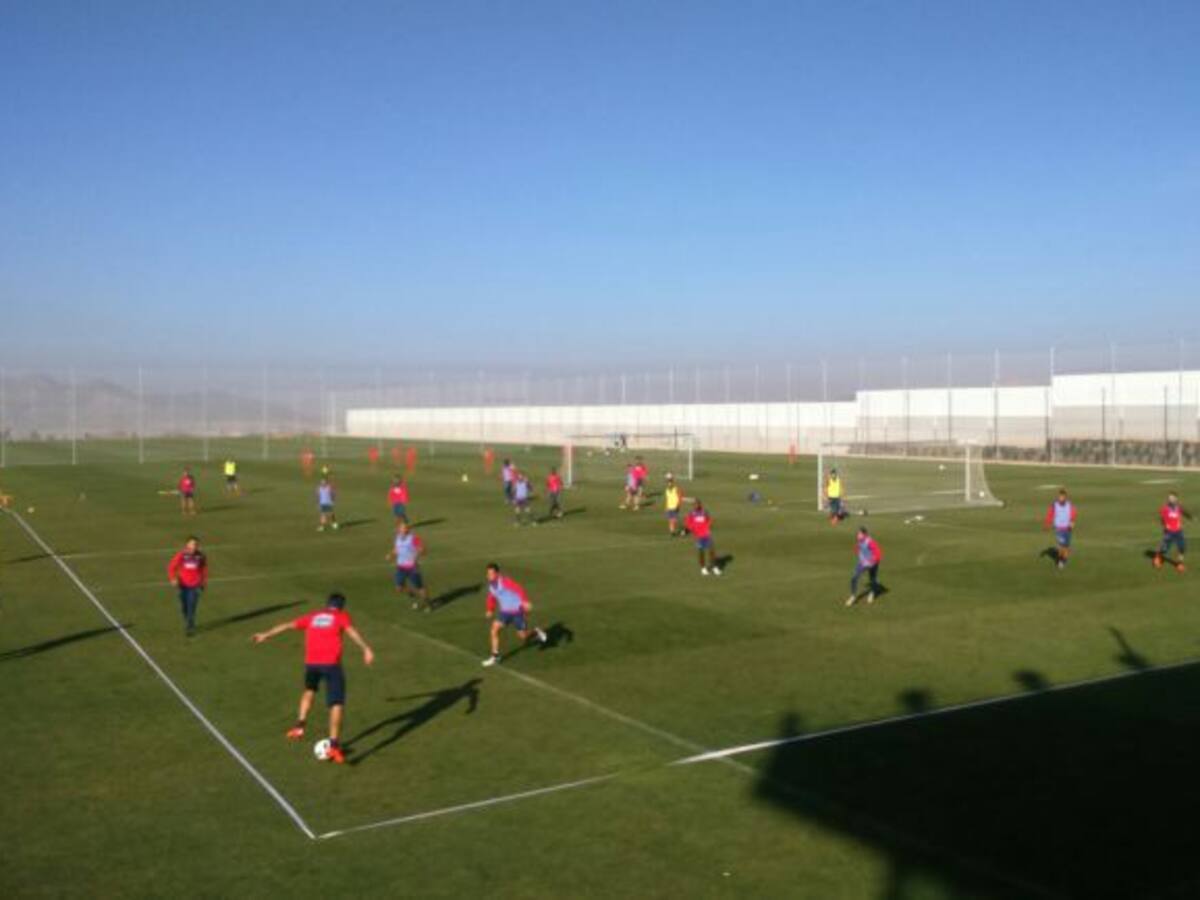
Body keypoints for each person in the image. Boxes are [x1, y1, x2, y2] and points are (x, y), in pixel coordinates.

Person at [252, 593, 375, 765]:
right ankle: (333, 745)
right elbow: (351, 632)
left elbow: (288, 625)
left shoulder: (313, 616)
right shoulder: (341, 616)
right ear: (341, 606)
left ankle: (299, 727)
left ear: (327, 604)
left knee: (309, 691)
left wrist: (266, 634)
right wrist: (366, 648)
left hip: (312, 663)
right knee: (336, 703)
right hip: (331, 665)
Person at [482, 563, 547, 666]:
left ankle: (536, 632)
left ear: (497, 574)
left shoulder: (505, 582)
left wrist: (525, 601)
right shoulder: (491, 586)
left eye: (491, 573)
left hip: (518, 611)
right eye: (488, 573)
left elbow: (519, 589)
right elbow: (491, 598)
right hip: (505, 612)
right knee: (494, 629)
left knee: (523, 636)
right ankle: (495, 656)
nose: (489, 576)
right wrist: (490, 609)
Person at [167, 536, 207, 636]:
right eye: (192, 544)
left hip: (195, 585)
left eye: (196, 544)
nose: (194, 546)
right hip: (183, 585)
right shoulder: (181, 555)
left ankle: (189, 625)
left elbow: (204, 569)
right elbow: (171, 567)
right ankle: (188, 620)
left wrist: (203, 582)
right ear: (187, 545)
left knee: (191, 605)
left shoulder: (201, 556)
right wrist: (172, 579)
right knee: (184, 606)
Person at [386, 520, 431, 610]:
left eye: (405, 528)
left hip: (412, 567)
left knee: (419, 587)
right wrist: (391, 555)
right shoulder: (398, 538)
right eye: (402, 528)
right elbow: (396, 550)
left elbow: (423, 550)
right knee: (399, 587)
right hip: (401, 567)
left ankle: (427, 603)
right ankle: (413, 596)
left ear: (408, 529)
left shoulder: (413, 538)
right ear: (399, 529)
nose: (403, 529)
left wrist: (416, 557)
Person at [1154, 493, 1191, 572]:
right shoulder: (1165, 508)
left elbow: (1184, 512)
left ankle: (1180, 564)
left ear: (1176, 499)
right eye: (1169, 498)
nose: (1170, 499)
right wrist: (1166, 525)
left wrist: (1190, 517)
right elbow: (1162, 519)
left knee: (1182, 548)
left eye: (1172, 498)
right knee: (1165, 548)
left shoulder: (1178, 508)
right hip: (1169, 531)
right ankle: (1157, 557)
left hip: (1178, 531)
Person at [846, 527, 883, 606]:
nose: (857, 535)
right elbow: (858, 548)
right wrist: (858, 552)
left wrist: (872, 561)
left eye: (859, 534)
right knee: (854, 578)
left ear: (865, 534)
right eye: (857, 534)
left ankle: (872, 593)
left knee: (872, 579)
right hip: (862, 563)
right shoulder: (859, 541)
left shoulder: (870, 542)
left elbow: (878, 553)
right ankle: (853, 596)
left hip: (872, 563)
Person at [684, 500, 720, 575]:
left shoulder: (704, 512)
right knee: (701, 552)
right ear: (693, 506)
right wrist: (693, 529)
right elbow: (687, 523)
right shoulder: (691, 514)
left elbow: (709, 519)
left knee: (712, 550)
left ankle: (714, 567)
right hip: (698, 536)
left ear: (700, 505)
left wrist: (708, 526)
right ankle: (703, 568)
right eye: (695, 505)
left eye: (698, 504)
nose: (696, 506)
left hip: (707, 534)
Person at [1043, 488, 1076, 569]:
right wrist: (1047, 524)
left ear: (1065, 497)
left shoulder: (1069, 505)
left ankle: (1064, 559)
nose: (1061, 498)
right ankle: (1060, 561)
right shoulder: (1054, 505)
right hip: (1059, 529)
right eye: (1060, 497)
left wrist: (1072, 522)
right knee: (1062, 546)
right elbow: (1049, 515)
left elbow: (1073, 513)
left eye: (1063, 497)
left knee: (1066, 547)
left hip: (1068, 529)